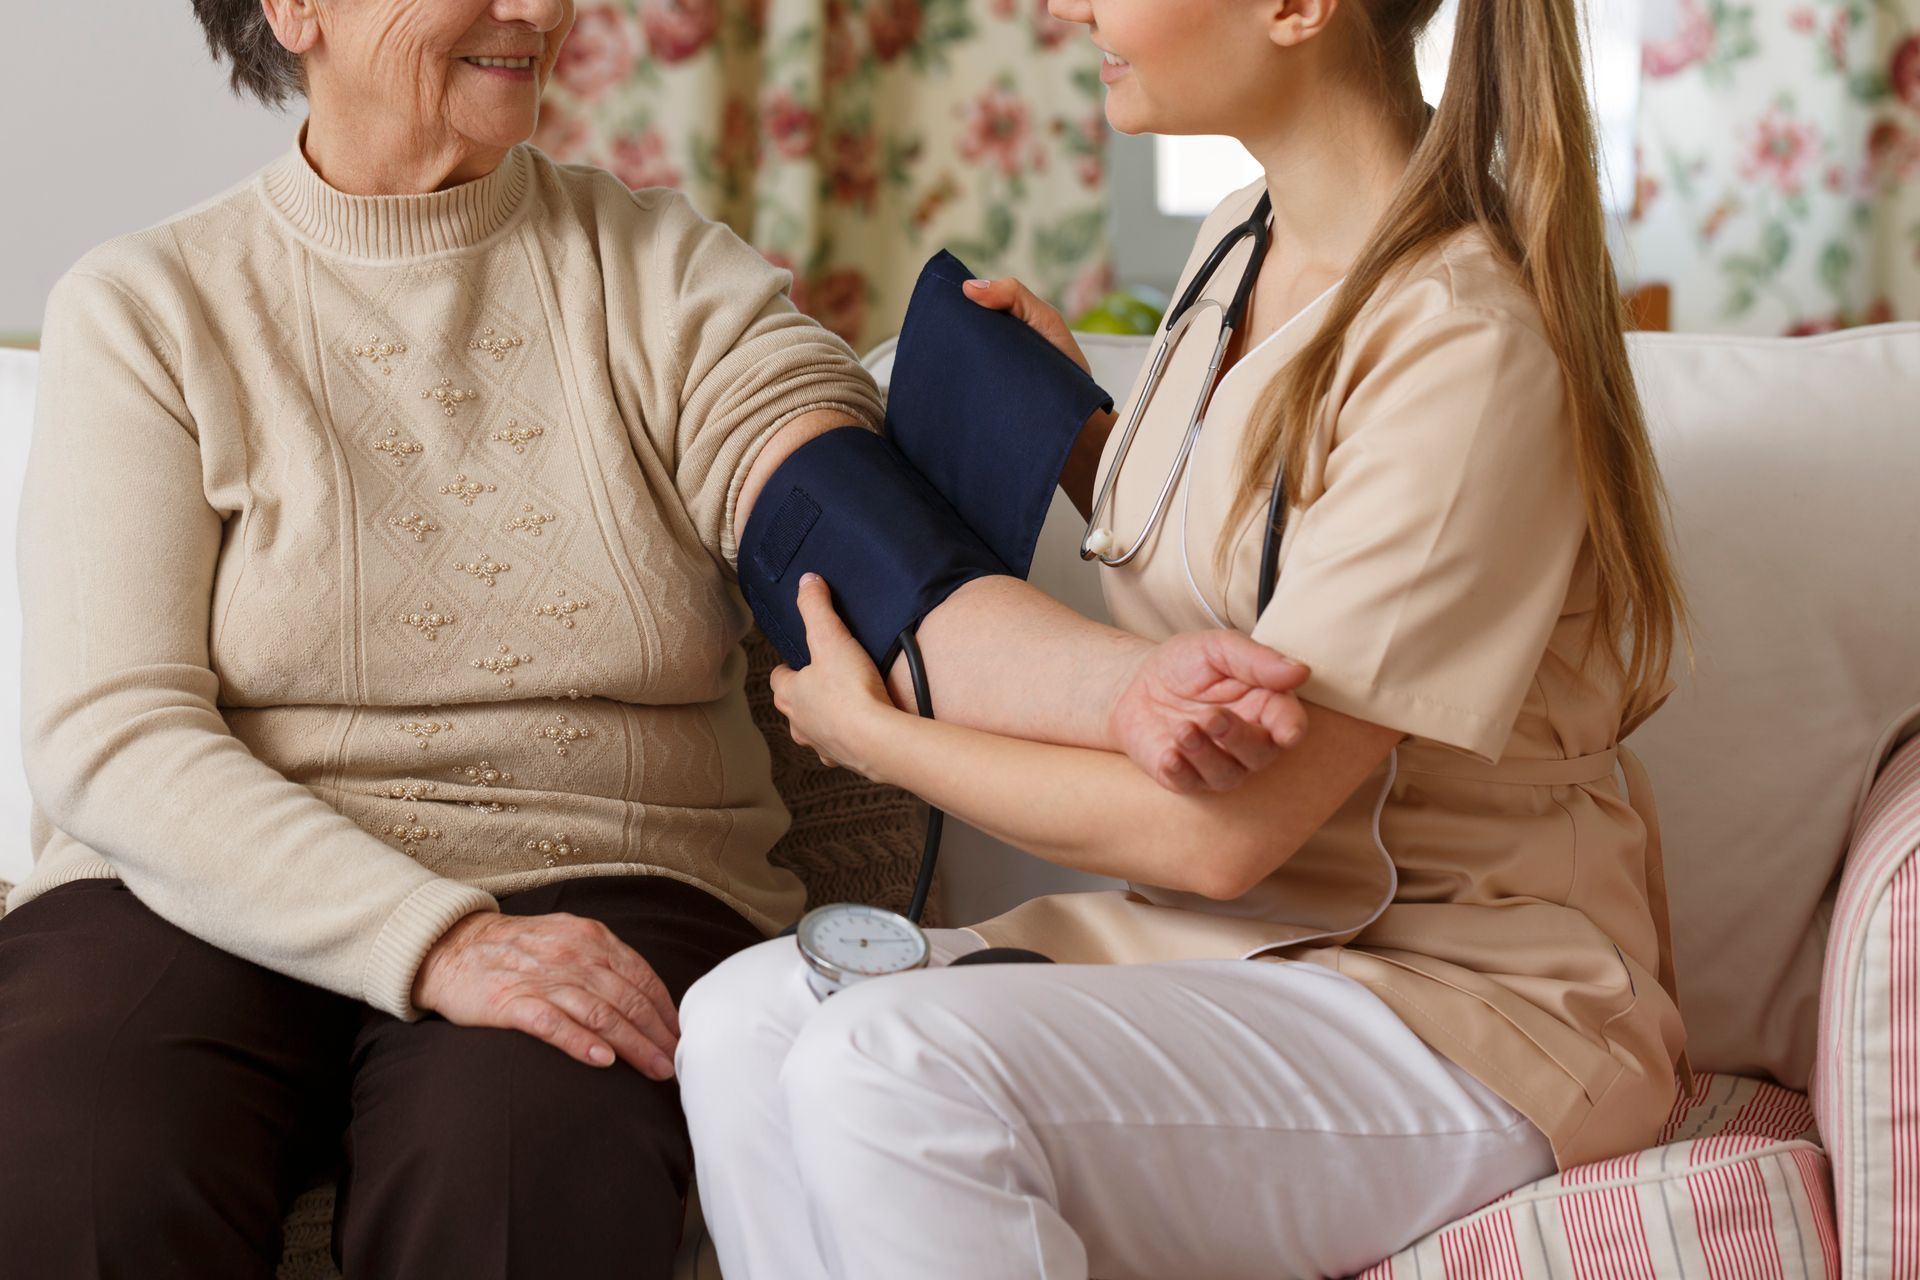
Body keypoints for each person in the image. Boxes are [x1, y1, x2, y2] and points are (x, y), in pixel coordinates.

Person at [0, 1, 1312, 1275]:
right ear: (293, 8)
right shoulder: (152, 307)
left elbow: (869, 559)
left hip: (598, 866)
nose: (542, 7)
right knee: (74, 1163)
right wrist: (434, 939)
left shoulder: (664, 275)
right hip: (194, 886)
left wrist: (1128, 691)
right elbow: (113, 738)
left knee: (514, 1173)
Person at [676, 0, 1694, 1276]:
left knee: (887, 1067)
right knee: (738, 1020)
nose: (1067, 9)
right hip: (1251, 953)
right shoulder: (1243, 241)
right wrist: (1090, 438)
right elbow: (1261, 557)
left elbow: (1220, 831)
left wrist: (880, 738)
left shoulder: (1464, 344)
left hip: (1465, 1003)